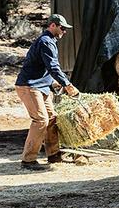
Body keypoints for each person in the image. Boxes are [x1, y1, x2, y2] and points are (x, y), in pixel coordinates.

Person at [15, 14, 80, 171]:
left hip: (40, 86)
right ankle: (28, 161)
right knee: (41, 120)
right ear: (52, 25)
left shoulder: (49, 41)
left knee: (51, 119)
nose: (64, 31)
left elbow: (43, 68)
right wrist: (67, 85)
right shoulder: (46, 42)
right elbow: (53, 67)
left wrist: (52, 84)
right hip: (29, 87)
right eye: (62, 28)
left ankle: (54, 155)